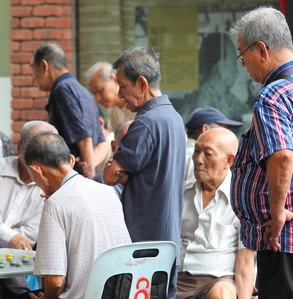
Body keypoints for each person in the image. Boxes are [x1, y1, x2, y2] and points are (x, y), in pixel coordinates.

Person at [230, 6, 293, 298]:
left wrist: (277, 215)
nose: (243, 64)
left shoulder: (273, 94)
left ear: (261, 49)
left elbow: (283, 155)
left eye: (242, 54)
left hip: (286, 240)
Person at [103, 47, 185, 299]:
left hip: (142, 249)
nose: (119, 94)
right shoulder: (173, 117)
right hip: (166, 243)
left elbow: (109, 176)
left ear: (142, 83)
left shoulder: (145, 123)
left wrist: (123, 172)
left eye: (122, 86)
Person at [23, 132, 131, 299]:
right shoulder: (108, 192)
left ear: (37, 170)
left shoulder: (55, 205)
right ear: (71, 161)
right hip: (122, 293)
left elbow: (55, 281)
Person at [0, 121, 58, 298]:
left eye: (46, 151)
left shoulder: (52, 188)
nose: (39, 158)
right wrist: (9, 236)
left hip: (18, 260)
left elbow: (31, 235)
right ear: (19, 146)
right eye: (33, 149)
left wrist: (6, 238)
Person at [178, 128, 255, 299]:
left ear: (229, 160)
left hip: (220, 280)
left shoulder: (242, 200)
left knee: (221, 295)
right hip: (180, 278)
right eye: (196, 151)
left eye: (208, 154)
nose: (198, 160)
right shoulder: (182, 193)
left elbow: (246, 260)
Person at [31, 41, 108, 178]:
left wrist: (87, 176)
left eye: (33, 69)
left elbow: (84, 138)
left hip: (75, 179)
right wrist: (90, 167)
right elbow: (103, 143)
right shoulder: (81, 89)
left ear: (44, 65)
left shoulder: (63, 90)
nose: (33, 78)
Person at [184, 107, 243, 181]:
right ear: (205, 129)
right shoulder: (191, 158)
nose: (225, 132)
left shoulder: (181, 153)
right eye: (222, 128)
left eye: (208, 154)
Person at [85, 62, 135, 132]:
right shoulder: (112, 108)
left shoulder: (136, 101)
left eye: (99, 90)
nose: (98, 98)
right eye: (94, 93)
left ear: (115, 80)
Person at [93, 119, 133, 198]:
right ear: (113, 147)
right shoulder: (100, 184)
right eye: (125, 146)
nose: (132, 152)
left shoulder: (153, 176)